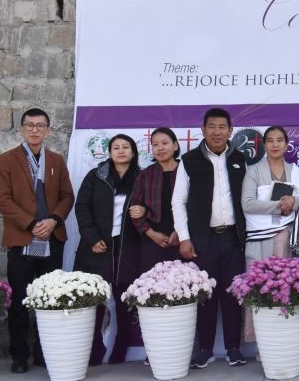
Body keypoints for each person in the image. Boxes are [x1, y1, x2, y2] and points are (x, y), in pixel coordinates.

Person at [0, 108, 74, 373]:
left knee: (49, 300)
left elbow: (66, 196)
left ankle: (44, 352)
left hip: (52, 238)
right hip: (22, 239)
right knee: (19, 301)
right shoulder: (6, 160)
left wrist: (53, 220)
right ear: (21, 129)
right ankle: (19, 356)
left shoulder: (56, 160)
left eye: (40, 125)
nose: (35, 130)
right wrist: (31, 224)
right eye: (30, 125)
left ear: (48, 130)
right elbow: (3, 200)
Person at [172, 107, 248, 368]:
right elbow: (178, 202)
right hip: (203, 240)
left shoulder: (241, 159)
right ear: (203, 130)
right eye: (212, 127)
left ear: (230, 131)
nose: (217, 132)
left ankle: (233, 348)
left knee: (232, 294)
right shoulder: (189, 160)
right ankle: (204, 349)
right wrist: (184, 237)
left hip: (234, 239)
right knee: (204, 296)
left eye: (222, 127)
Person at [240, 126, 299, 342]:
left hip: (286, 238)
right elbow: (247, 204)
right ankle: (263, 344)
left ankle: (285, 341)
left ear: (286, 143)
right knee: (260, 290)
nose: (275, 144)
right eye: (270, 140)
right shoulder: (253, 171)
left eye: (279, 140)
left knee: (286, 289)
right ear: (264, 144)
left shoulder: (295, 171)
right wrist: (280, 205)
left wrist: (295, 201)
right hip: (259, 240)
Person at [74, 134, 142, 365]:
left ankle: (119, 349)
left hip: (128, 247)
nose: (121, 151)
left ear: (133, 152)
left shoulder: (142, 177)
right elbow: (82, 207)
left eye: (126, 147)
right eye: (116, 147)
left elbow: (154, 207)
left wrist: (143, 212)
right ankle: (93, 349)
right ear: (109, 152)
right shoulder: (96, 176)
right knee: (95, 299)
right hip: (97, 246)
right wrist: (92, 237)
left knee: (124, 300)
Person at [128, 127, 183, 276]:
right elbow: (135, 209)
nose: (160, 148)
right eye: (155, 144)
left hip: (183, 239)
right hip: (152, 241)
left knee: (182, 285)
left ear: (175, 146)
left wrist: (180, 232)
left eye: (165, 143)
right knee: (151, 286)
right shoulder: (146, 174)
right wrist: (152, 234)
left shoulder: (186, 171)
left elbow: (196, 206)